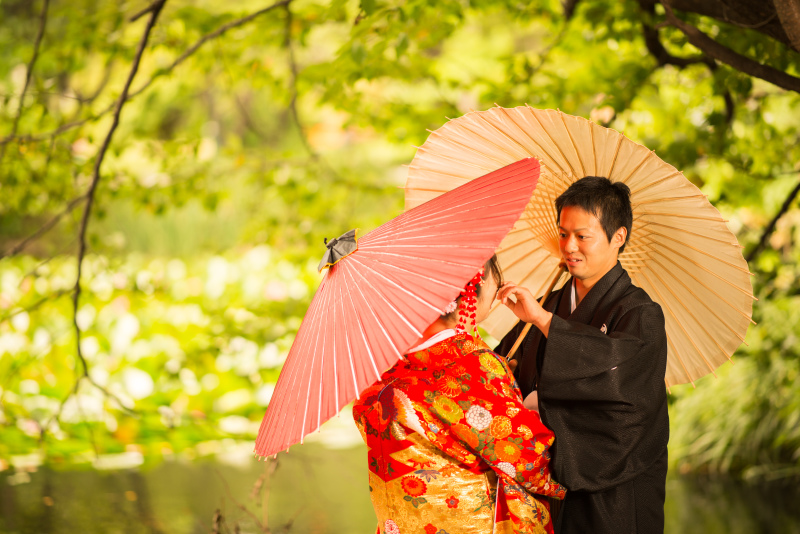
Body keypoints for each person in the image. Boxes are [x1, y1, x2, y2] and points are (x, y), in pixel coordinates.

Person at [496, 176, 669, 534]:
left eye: (582, 236)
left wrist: (545, 324)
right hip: (544, 490)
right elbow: (502, 375)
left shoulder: (639, 313)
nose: (569, 246)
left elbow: (623, 398)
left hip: (613, 495)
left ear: (618, 237)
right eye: (563, 233)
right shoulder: (550, 302)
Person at [352, 256, 566, 534]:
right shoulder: (469, 364)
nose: (498, 283)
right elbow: (525, 459)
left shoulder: (384, 365)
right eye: (494, 277)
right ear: (472, 286)